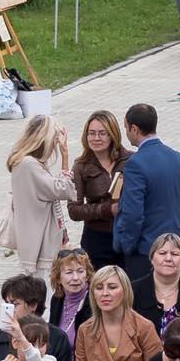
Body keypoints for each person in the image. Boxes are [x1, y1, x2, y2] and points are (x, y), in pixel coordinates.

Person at [111, 103, 180, 287]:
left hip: (146, 251)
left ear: (134, 128)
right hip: (175, 246)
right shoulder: (177, 158)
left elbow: (133, 214)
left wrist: (127, 247)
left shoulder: (135, 164)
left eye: (126, 128)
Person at [2, 115, 74, 275]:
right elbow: (63, 189)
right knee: (45, 293)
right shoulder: (28, 165)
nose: (55, 145)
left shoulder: (27, 163)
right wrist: (65, 156)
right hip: (40, 244)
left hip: (39, 240)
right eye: (54, 140)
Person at [68, 112, 126, 268]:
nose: (96, 138)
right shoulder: (80, 166)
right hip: (96, 239)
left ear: (112, 135)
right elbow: (74, 210)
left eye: (102, 133)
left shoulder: (130, 160)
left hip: (127, 235)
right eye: (91, 133)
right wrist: (106, 209)